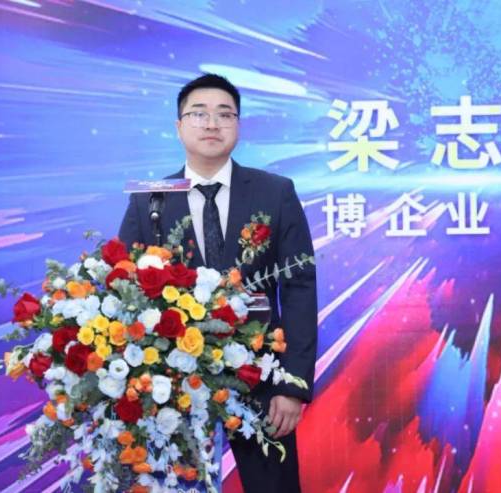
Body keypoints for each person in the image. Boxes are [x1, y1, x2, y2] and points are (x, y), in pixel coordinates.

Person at [118, 73, 317, 492]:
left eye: (224, 114)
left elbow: (299, 288)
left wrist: (292, 385)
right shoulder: (149, 199)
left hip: (260, 375)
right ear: (179, 126)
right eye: (199, 114)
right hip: (171, 381)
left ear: (238, 126)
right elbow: (125, 291)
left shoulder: (275, 192)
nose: (212, 124)